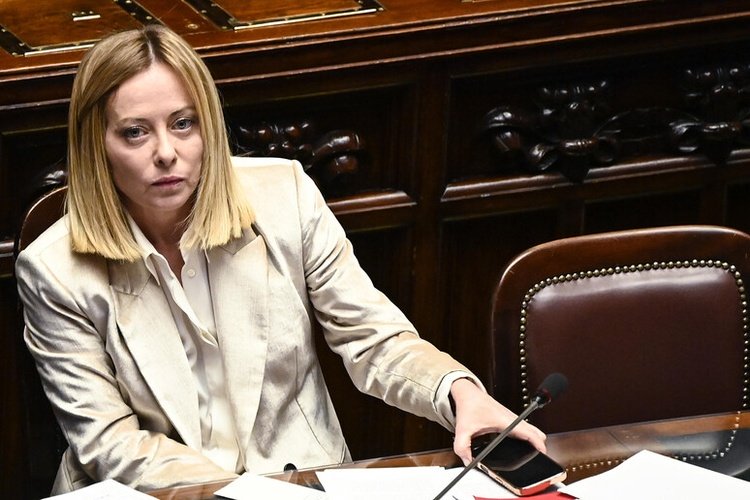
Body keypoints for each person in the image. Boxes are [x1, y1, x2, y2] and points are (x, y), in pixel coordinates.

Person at [15, 25, 546, 494]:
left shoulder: (285, 195)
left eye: (183, 123)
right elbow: (110, 441)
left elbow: (372, 338)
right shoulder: (53, 270)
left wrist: (459, 394)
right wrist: (239, 494)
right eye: (135, 131)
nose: (166, 152)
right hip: (155, 492)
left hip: (298, 482)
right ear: (96, 145)